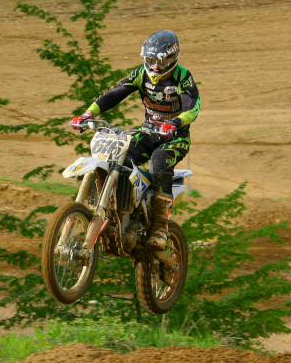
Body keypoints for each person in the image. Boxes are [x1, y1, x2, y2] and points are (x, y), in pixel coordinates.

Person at [70, 29, 201, 251]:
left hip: (175, 137)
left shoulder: (182, 76)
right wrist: (88, 113)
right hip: (148, 132)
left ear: (173, 58)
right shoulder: (141, 74)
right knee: (118, 156)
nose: (156, 66)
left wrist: (176, 122)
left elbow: (193, 107)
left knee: (159, 163)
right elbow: (115, 93)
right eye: (151, 60)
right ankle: (122, 211)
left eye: (161, 61)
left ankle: (160, 228)